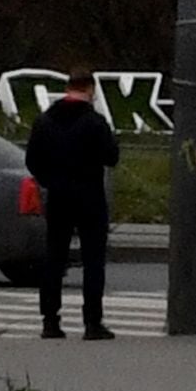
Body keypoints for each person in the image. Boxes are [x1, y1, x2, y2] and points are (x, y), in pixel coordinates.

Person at [24, 72, 123, 338]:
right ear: (90, 89)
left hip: (58, 196)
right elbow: (111, 157)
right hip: (90, 197)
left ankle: (50, 321)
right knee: (93, 260)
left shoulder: (44, 121)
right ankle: (92, 323)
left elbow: (32, 160)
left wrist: (50, 181)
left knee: (54, 257)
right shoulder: (95, 122)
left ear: (67, 88)